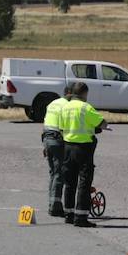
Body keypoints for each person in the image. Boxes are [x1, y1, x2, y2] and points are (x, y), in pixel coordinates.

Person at [58, 82, 107, 228]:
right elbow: (103, 123)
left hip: (67, 147)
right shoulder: (86, 108)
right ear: (84, 93)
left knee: (70, 182)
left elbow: (61, 128)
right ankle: (81, 217)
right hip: (83, 148)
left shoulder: (64, 107)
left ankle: (69, 214)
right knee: (84, 183)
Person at [42, 83, 75, 217]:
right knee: (59, 173)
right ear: (70, 93)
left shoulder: (52, 104)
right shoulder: (67, 106)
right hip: (57, 139)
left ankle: (52, 203)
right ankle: (55, 207)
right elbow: (65, 127)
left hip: (47, 138)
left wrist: (44, 145)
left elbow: (45, 123)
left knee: (53, 173)